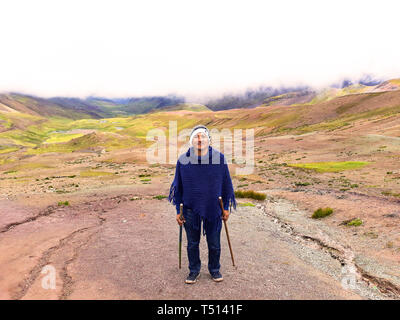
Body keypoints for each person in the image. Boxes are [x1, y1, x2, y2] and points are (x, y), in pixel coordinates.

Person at [168, 125, 236, 284]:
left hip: (214, 208)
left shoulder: (219, 159)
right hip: (190, 208)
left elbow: (226, 185)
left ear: (209, 140)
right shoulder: (183, 161)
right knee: (192, 243)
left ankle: (214, 269)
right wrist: (179, 210)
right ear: (192, 141)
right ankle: (194, 270)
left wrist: (225, 207)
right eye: (196, 137)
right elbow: (178, 187)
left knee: (214, 242)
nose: (200, 139)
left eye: (203, 136)